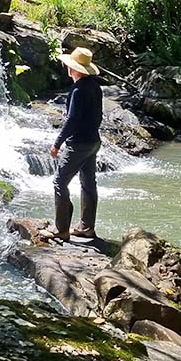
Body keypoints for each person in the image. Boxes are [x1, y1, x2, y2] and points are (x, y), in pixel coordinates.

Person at [49, 47, 103, 241]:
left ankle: (61, 230)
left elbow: (71, 120)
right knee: (88, 183)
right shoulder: (95, 86)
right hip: (93, 141)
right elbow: (99, 116)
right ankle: (86, 227)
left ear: (74, 69)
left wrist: (57, 144)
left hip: (78, 144)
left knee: (59, 182)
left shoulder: (77, 89)